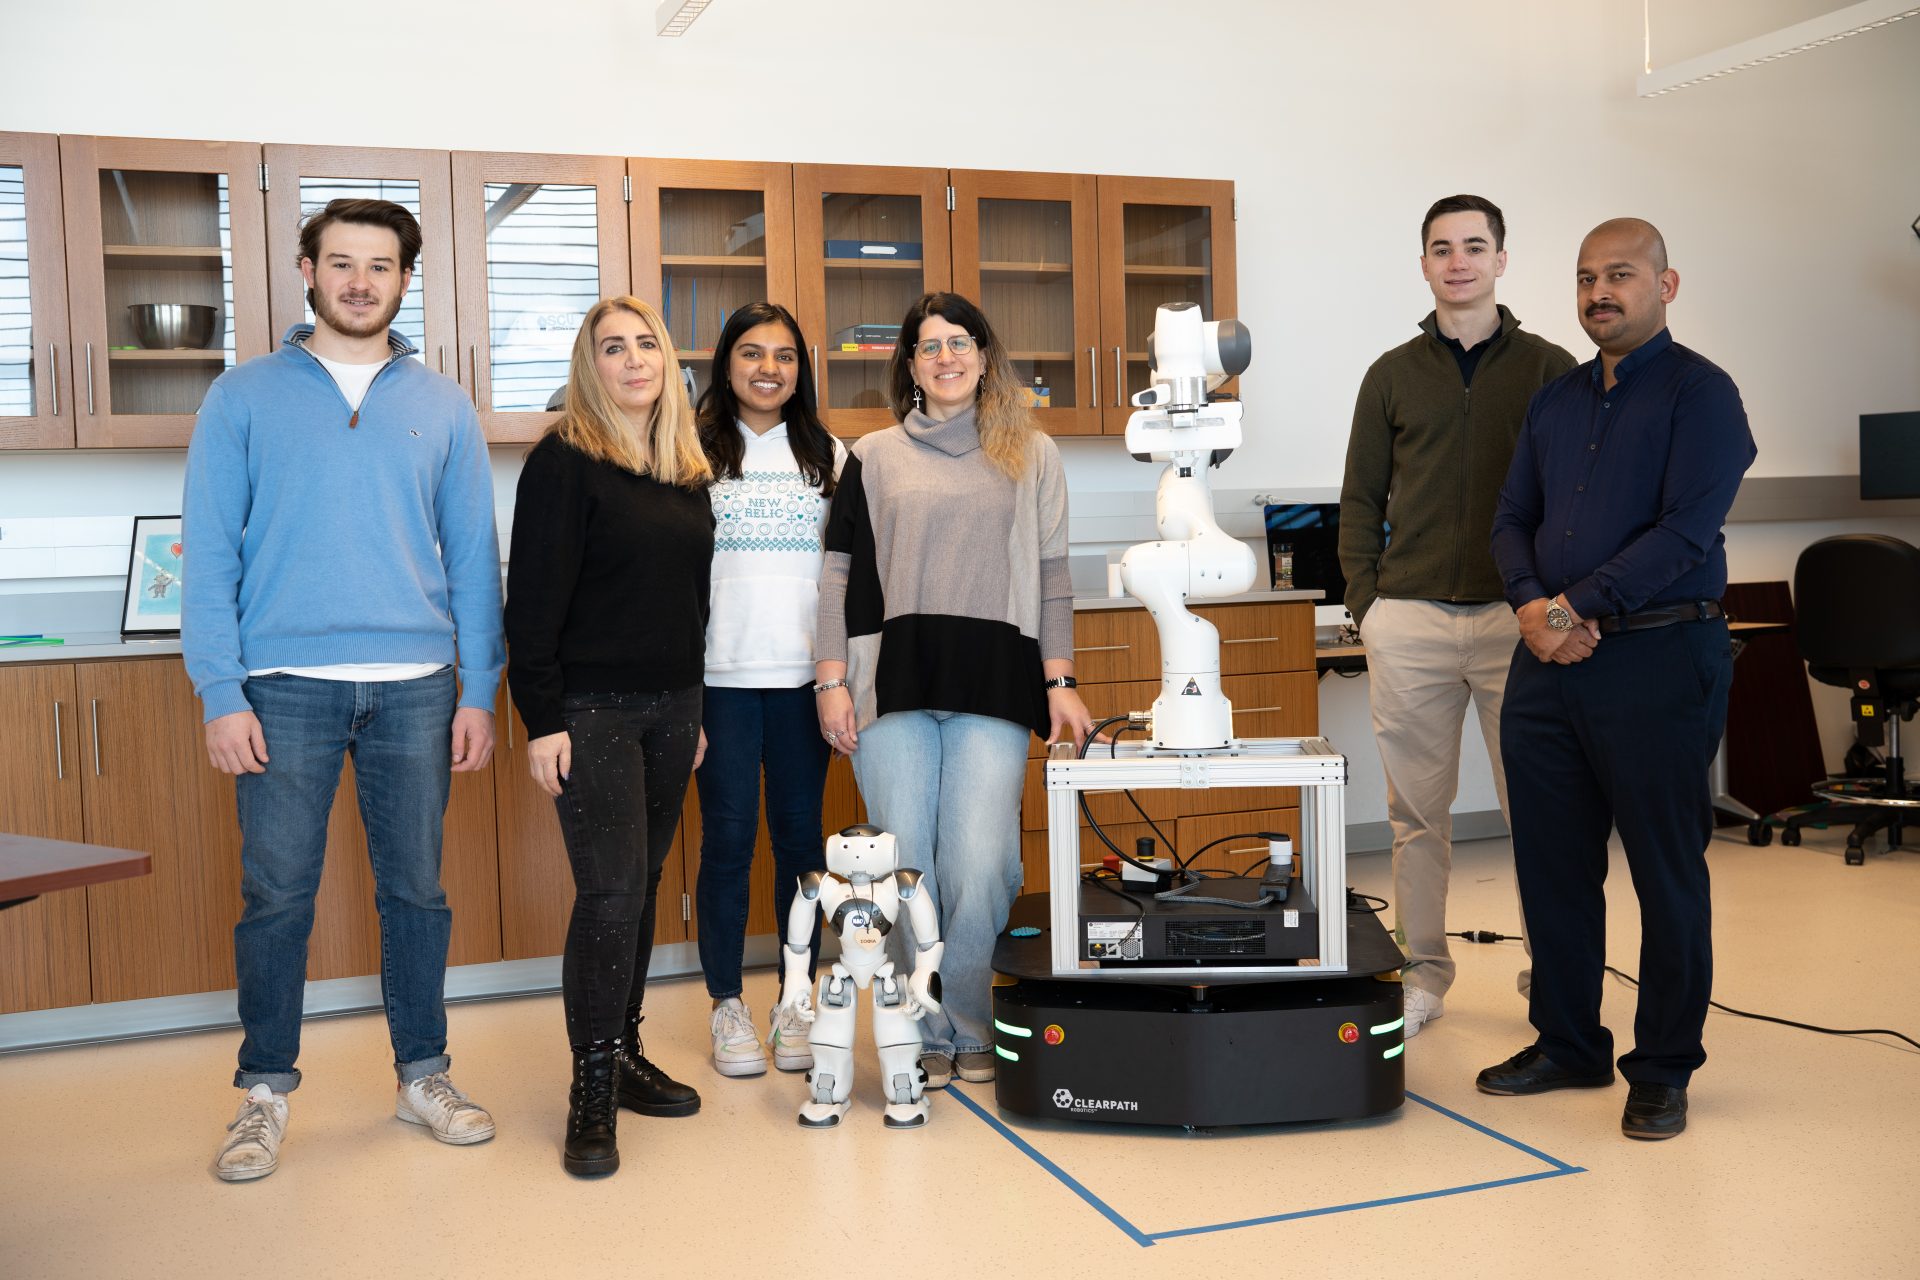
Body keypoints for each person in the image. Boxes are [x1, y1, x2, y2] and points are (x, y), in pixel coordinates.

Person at [183, 198, 504, 1183]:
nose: (360, 281)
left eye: (380, 265)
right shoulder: (242, 397)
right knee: (277, 894)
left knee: (416, 892)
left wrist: (480, 687)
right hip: (283, 686)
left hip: (418, 685)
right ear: (307, 270)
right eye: (342, 263)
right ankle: (263, 1092)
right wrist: (220, 690)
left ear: (405, 278)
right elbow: (210, 556)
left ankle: (423, 1075)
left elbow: (473, 557)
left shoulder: (443, 403)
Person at [1479, 218, 1755, 1140]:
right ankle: (1569, 1043)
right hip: (1546, 668)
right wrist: (1534, 609)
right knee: (1552, 867)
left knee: (1665, 873)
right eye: (1587, 277)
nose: (1601, 292)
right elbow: (1511, 518)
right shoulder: (1554, 402)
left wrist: (1567, 612)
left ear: (1665, 286)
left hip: (1659, 660)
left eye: (1622, 275)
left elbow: (1684, 534)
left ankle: (1664, 1066)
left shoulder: (1703, 395)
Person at [814, 291, 1093, 1089]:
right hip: (889, 679)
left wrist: (1061, 680)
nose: (946, 357)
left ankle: (969, 1018)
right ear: (910, 364)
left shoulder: (1031, 453)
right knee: (904, 862)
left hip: (994, 678)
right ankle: (921, 1027)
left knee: (980, 860)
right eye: (929, 345)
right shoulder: (870, 456)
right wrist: (830, 680)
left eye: (960, 342)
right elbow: (836, 576)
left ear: (984, 355)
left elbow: (1052, 577)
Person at [1339, 194, 1576, 1036]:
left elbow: (1576, 497)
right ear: (1425, 265)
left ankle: (1554, 975)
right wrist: (1369, 605)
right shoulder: (1391, 374)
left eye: (1475, 246)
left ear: (1501, 260)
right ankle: (1424, 975)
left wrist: (1555, 609)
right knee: (1415, 818)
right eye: (1442, 248)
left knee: (1540, 813)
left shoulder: (1551, 368)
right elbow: (1360, 499)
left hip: (1521, 623)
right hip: (1410, 620)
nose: (1459, 261)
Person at [504, 295, 714, 1176]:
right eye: (613, 348)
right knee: (612, 891)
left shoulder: (682, 468)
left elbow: (692, 603)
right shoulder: (563, 462)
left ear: (667, 361)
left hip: (672, 708)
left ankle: (624, 1053)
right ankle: (590, 1086)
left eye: (646, 345)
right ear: (590, 368)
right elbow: (531, 605)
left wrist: (693, 713)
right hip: (591, 711)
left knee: (644, 882)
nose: (634, 361)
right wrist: (542, 719)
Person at [692, 302, 846, 1077]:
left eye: (784, 356)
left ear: (799, 370)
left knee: (800, 844)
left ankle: (796, 999)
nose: (768, 369)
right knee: (726, 843)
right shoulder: (690, 450)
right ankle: (726, 1003)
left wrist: (837, 676)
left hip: (801, 683)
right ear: (726, 365)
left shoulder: (829, 455)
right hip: (717, 681)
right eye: (752, 353)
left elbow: (844, 577)